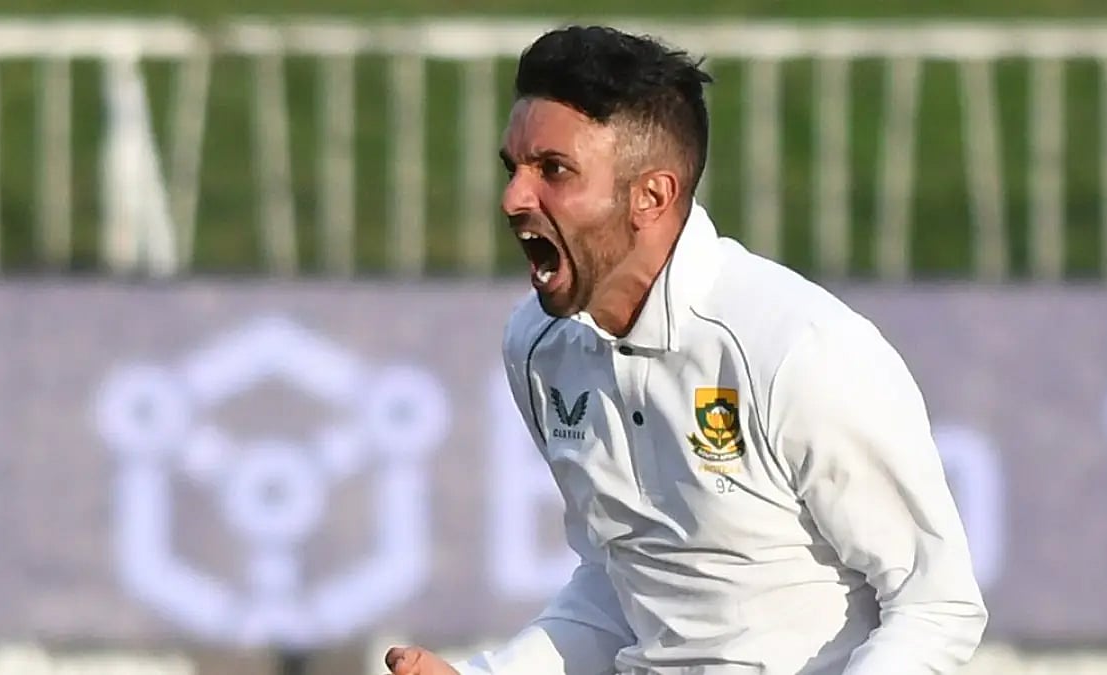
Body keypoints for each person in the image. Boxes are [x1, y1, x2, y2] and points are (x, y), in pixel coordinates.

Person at [387, 24, 987, 675]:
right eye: (514, 169)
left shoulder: (795, 348)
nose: (513, 199)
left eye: (553, 171)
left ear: (653, 195)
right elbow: (622, 585)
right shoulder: (537, 345)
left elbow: (937, 604)